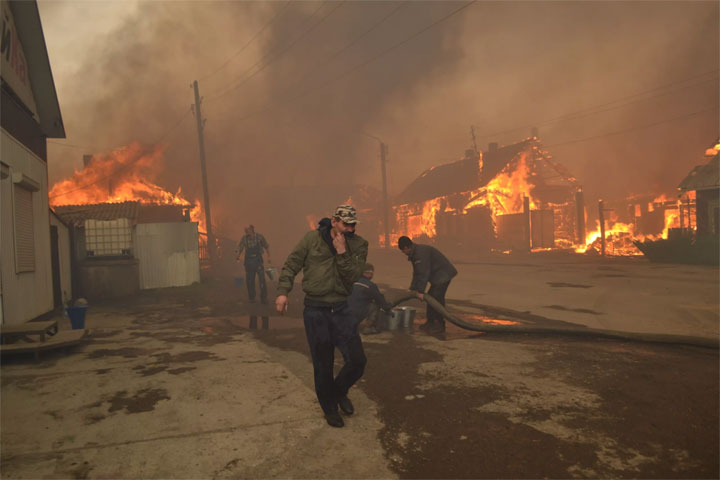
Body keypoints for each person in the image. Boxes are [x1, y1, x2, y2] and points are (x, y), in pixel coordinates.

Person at [275, 205, 368, 428]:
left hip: (342, 310)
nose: (351, 229)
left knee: (357, 361)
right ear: (335, 221)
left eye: (353, 225)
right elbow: (291, 264)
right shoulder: (311, 239)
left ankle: (338, 392)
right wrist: (282, 292)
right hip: (316, 311)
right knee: (323, 364)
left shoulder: (359, 244)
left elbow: (353, 276)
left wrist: (342, 252)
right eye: (346, 224)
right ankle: (329, 408)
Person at [397, 236, 457, 333]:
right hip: (438, 277)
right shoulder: (415, 253)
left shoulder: (420, 253)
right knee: (431, 299)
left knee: (436, 299)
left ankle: (439, 324)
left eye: (403, 251)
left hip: (443, 276)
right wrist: (413, 288)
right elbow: (416, 272)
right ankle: (430, 322)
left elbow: (423, 273)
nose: (403, 253)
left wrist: (420, 291)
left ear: (407, 247)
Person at [348, 263, 392, 335]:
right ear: (370, 274)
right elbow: (380, 300)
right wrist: (388, 309)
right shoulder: (370, 285)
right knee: (375, 305)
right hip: (357, 314)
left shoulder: (351, 282)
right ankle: (368, 328)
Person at [237, 225, 271, 304]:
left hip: (258, 261)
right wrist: (237, 256)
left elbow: (266, 246)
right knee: (250, 280)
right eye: (246, 230)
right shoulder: (244, 239)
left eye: (248, 230)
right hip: (249, 262)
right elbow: (239, 248)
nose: (246, 231)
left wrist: (269, 257)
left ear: (252, 229)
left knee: (262, 279)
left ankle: (264, 297)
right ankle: (252, 298)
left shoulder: (259, 237)